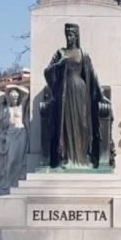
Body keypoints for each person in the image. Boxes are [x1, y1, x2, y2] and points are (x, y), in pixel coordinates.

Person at [41, 23, 107, 168]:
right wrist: (59, 64)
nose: (69, 37)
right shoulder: (60, 52)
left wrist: (101, 94)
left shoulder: (83, 53)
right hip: (64, 92)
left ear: (76, 36)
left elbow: (92, 75)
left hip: (80, 91)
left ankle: (82, 157)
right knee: (65, 124)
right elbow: (47, 71)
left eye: (71, 34)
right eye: (67, 34)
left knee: (82, 124)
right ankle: (67, 158)